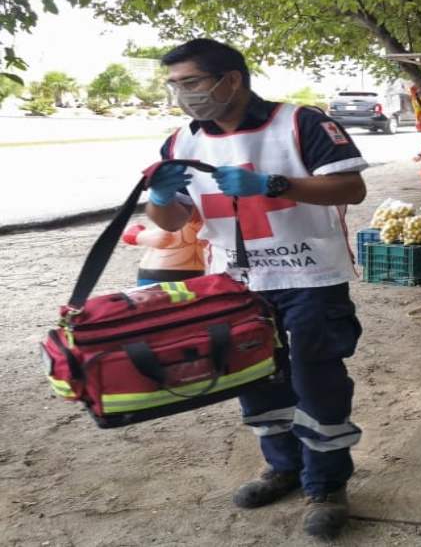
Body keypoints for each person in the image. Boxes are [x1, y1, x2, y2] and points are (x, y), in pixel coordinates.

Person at [143, 39, 368, 539]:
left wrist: (273, 185)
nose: (183, 94)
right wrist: (159, 195)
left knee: (317, 380)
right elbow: (173, 215)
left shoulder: (300, 123)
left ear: (231, 80)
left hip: (308, 276)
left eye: (192, 82)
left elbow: (351, 188)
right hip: (234, 285)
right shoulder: (181, 141)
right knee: (253, 378)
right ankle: (282, 466)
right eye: (174, 85)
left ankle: (327, 484)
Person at [121, 210, 208, 285]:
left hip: (195, 275)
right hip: (158, 274)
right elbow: (128, 233)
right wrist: (142, 236)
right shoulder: (170, 207)